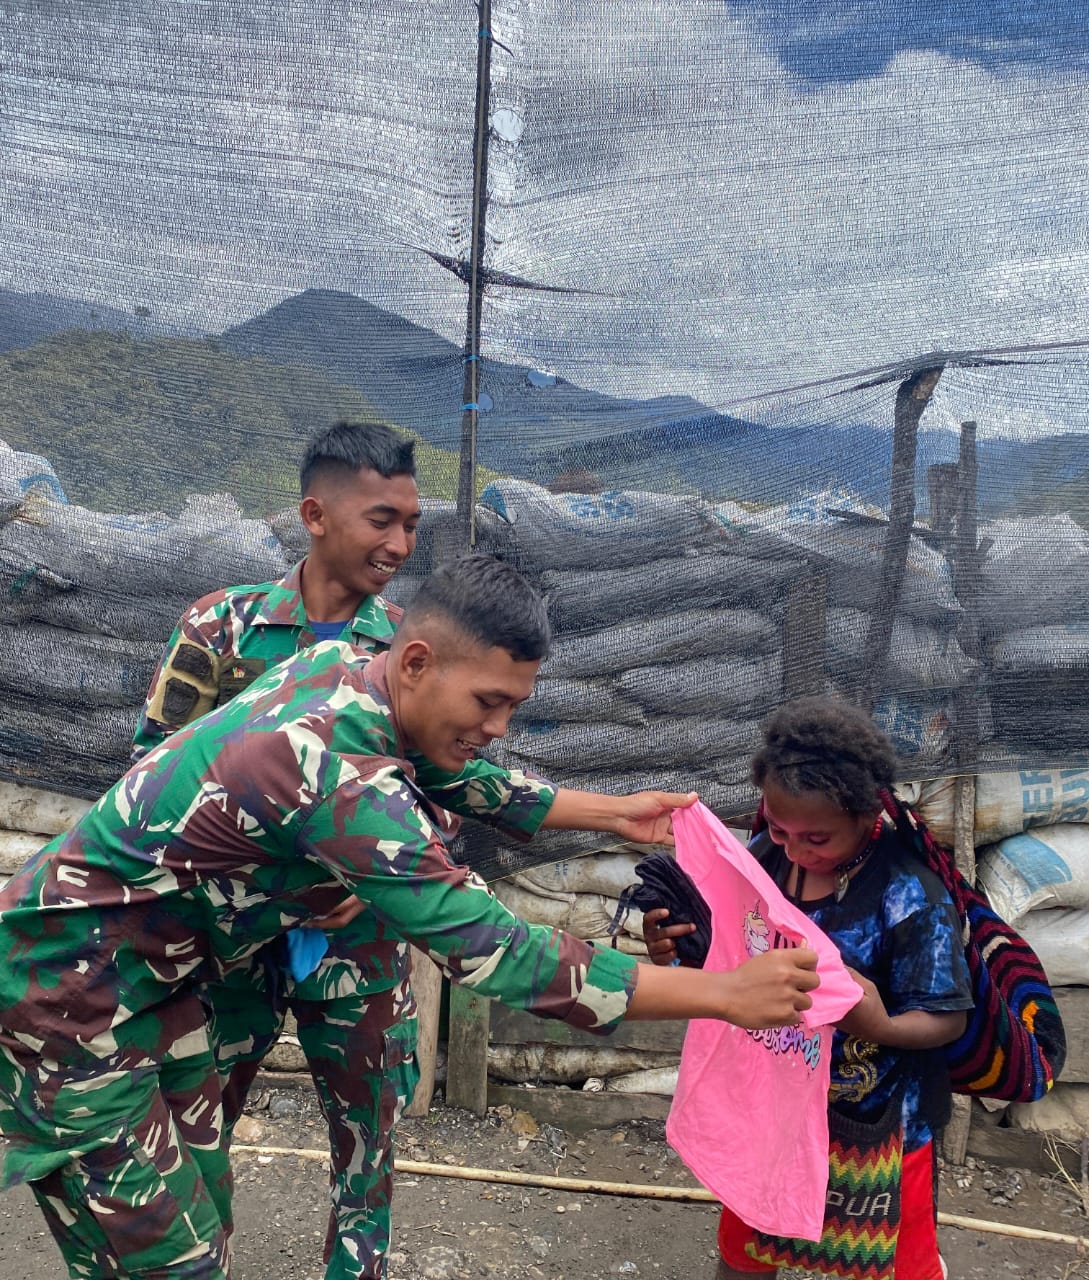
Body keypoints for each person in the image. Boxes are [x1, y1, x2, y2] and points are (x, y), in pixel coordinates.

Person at [0, 555, 821, 1280]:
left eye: (514, 707)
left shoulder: (344, 670)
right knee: (166, 1263)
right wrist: (724, 994)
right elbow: (500, 954)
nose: (498, 728)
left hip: (153, 989)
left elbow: (456, 778)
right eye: (489, 702)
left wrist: (612, 812)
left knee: (204, 1224)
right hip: (63, 1006)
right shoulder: (339, 776)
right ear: (419, 661)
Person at [132, 419, 432, 1280]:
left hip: (359, 941)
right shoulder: (222, 628)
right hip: (227, 942)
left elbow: (443, 788)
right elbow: (151, 779)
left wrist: (374, 874)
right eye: (382, 520)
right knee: (196, 1135)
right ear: (315, 515)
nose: (400, 543)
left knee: (367, 1150)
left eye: (411, 524)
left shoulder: (411, 648)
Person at [644, 696, 972, 1280]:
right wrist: (673, 946)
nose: (794, 849)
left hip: (878, 1124)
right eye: (779, 828)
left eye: (817, 839)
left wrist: (881, 1025)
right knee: (746, 1252)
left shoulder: (909, 897)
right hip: (773, 1112)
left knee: (897, 1264)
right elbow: (730, 955)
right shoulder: (763, 863)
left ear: (867, 815)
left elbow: (948, 1018)